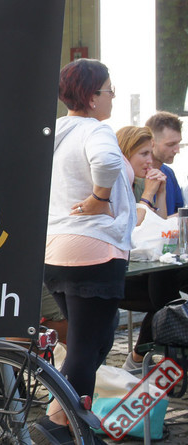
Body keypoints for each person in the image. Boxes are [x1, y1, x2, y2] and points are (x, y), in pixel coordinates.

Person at [32, 59, 136, 445]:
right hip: (93, 249)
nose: (113, 96)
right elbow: (106, 162)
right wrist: (99, 198)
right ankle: (63, 427)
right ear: (92, 97)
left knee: (97, 336)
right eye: (109, 90)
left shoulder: (57, 131)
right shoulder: (96, 130)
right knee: (85, 344)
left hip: (56, 249)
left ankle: (59, 416)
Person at [115, 126, 180, 372]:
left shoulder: (142, 182)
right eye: (143, 154)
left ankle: (143, 359)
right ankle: (142, 358)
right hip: (118, 273)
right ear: (125, 154)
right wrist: (149, 194)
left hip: (143, 269)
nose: (150, 161)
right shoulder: (115, 183)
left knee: (168, 291)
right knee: (167, 298)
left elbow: (157, 229)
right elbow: (130, 228)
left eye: (150, 154)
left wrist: (160, 194)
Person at [144, 111, 183, 215]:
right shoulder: (136, 176)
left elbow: (179, 212)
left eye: (178, 143)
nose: (177, 150)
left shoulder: (169, 173)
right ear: (151, 143)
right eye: (171, 144)